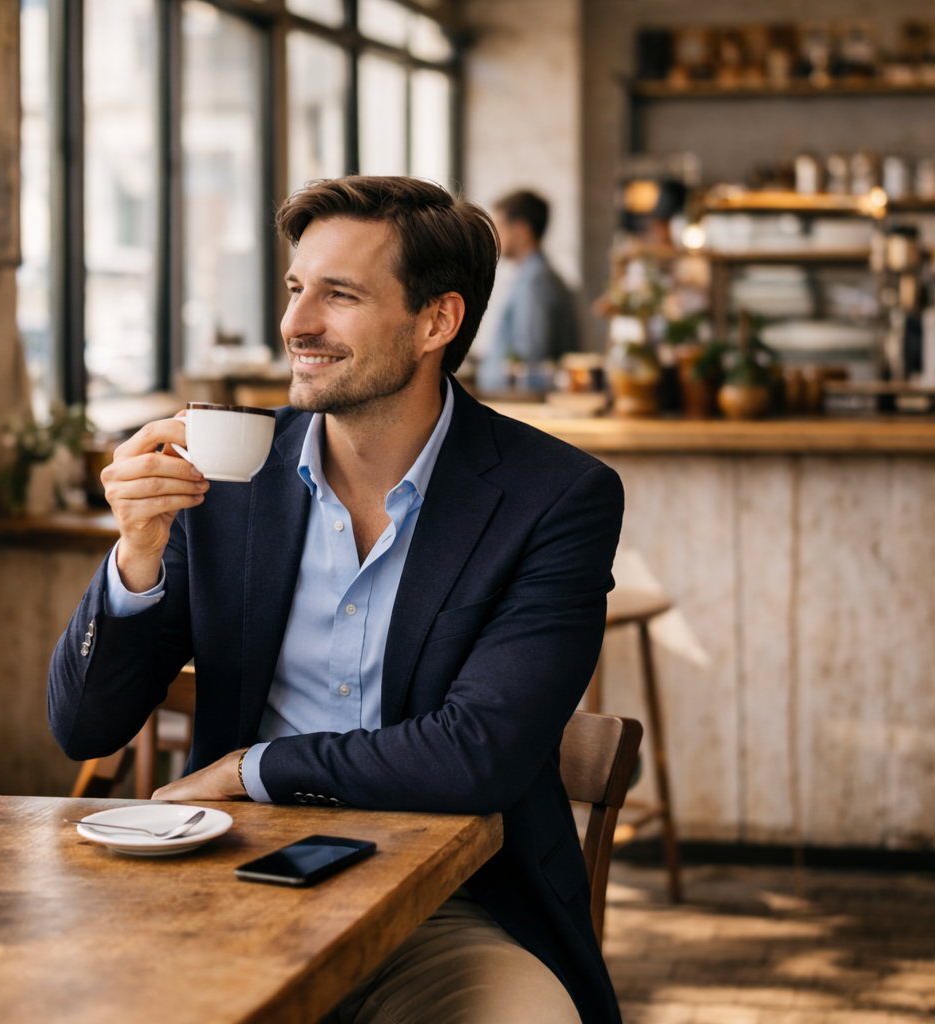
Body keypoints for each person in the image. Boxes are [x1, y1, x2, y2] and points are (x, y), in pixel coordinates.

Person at [48, 176, 624, 1024]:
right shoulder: (227, 475)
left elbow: (480, 755)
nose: (296, 323)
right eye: (295, 288)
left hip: (449, 910)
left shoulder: (555, 497)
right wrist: (136, 553)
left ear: (437, 321)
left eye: (340, 295)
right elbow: (84, 728)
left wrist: (249, 769)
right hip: (231, 889)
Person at [475, 189, 580, 391]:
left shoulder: (534, 281)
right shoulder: (536, 276)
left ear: (522, 230)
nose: (494, 235)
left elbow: (529, 358)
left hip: (516, 403)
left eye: (499, 226)